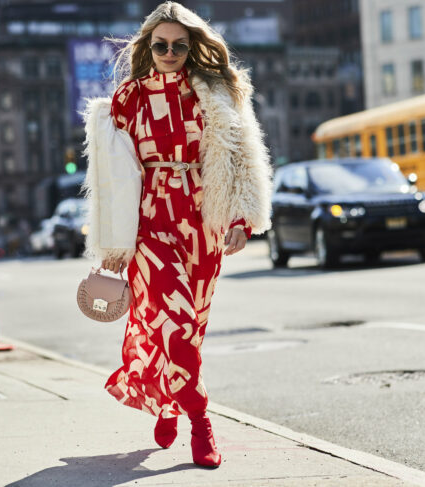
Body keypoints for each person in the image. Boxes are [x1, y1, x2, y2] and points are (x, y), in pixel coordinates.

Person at [82, 1, 272, 468]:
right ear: (148, 45)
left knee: (191, 324)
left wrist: (240, 219)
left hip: (203, 218)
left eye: (179, 45)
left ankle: (167, 399)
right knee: (176, 322)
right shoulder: (128, 99)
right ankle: (201, 420)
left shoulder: (214, 93)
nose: (169, 51)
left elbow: (240, 158)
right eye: (161, 44)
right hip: (150, 220)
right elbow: (112, 176)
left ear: (192, 47)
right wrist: (113, 242)